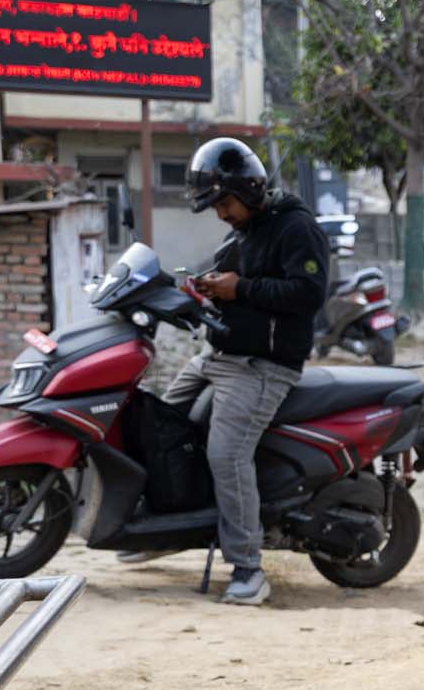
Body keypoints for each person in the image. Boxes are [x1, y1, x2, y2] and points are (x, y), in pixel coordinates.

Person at [132, 137, 329, 606]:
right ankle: (166, 529)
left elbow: (308, 293)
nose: (221, 214)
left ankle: (247, 569)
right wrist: (204, 287)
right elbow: (230, 276)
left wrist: (239, 289)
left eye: (224, 203)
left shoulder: (296, 227)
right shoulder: (245, 230)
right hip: (219, 354)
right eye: (215, 207)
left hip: (264, 365)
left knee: (226, 454)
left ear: (248, 189)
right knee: (160, 424)